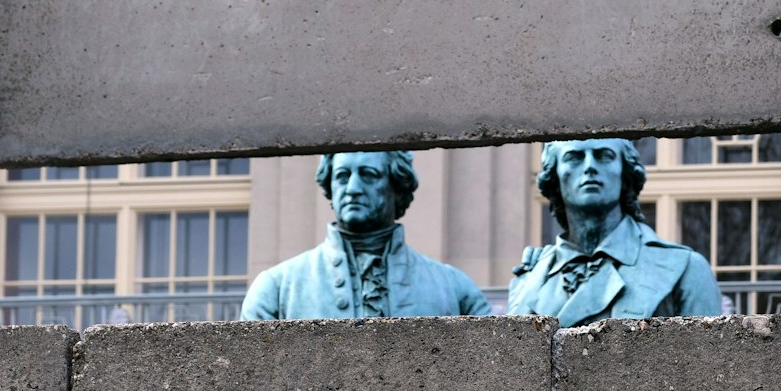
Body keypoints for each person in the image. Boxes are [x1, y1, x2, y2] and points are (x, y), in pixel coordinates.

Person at [241, 150, 490, 319]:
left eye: (369, 175)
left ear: (397, 186)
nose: (353, 189)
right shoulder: (276, 288)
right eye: (342, 176)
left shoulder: (455, 288)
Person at [505, 137, 722, 327]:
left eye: (604, 156)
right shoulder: (527, 280)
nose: (590, 166)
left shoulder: (685, 269)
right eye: (574, 157)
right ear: (555, 176)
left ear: (625, 173)